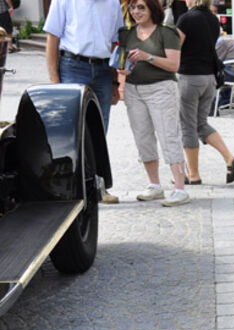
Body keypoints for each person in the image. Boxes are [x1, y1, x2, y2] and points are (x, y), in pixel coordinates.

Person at [44, 0, 125, 203]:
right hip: (73, 66)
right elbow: (52, 38)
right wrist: (55, 79)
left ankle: (98, 186)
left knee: (100, 130)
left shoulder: (113, 3)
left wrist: (115, 82)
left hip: (104, 71)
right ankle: (74, 188)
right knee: (74, 130)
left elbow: (116, 43)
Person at [116, 0, 189, 206]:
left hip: (161, 89)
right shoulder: (127, 33)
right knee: (142, 137)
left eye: (141, 7)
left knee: (169, 136)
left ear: (151, 9)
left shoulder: (166, 32)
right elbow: (121, 61)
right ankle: (154, 185)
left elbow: (173, 65)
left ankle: (180, 188)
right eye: (133, 8)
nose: (136, 12)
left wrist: (148, 57)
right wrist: (123, 70)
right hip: (133, 89)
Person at [176, 0, 234, 186]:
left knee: (188, 126)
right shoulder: (213, 19)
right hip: (209, 78)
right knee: (201, 124)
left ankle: (193, 174)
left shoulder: (186, 19)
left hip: (189, 77)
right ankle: (229, 158)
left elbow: (175, 47)